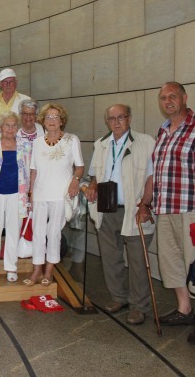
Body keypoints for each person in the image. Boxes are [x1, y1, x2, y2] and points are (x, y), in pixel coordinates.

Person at [85, 104, 155, 325]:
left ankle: (139, 306)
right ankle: (119, 298)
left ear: (129, 118)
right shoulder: (101, 144)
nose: (116, 122)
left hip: (134, 210)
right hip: (107, 209)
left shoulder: (145, 142)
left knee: (137, 261)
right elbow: (95, 175)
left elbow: (153, 178)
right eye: (112, 118)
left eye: (121, 117)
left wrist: (146, 204)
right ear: (107, 121)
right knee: (111, 257)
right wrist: (94, 186)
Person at [139, 82, 195, 342]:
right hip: (165, 207)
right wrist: (146, 202)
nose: (168, 101)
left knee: (194, 264)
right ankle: (185, 309)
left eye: (173, 96)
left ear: (184, 98)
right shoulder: (162, 132)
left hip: (190, 209)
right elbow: (155, 172)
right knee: (172, 262)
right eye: (163, 98)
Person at [27, 103, 84, 287]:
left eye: (55, 117)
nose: (52, 120)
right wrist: (31, 193)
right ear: (43, 121)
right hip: (40, 193)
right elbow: (33, 171)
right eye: (48, 117)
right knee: (38, 232)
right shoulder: (36, 142)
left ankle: (49, 269)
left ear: (62, 121)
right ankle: (37, 268)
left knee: (54, 233)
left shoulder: (71, 140)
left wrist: (75, 181)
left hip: (61, 193)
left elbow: (80, 166)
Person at [0, 111, 31, 284]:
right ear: (0, 127)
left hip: (18, 195)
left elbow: (30, 170)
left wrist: (30, 195)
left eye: (14, 125)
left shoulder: (25, 145)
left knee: (14, 231)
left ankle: (11, 267)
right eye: (7, 125)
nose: (11, 129)